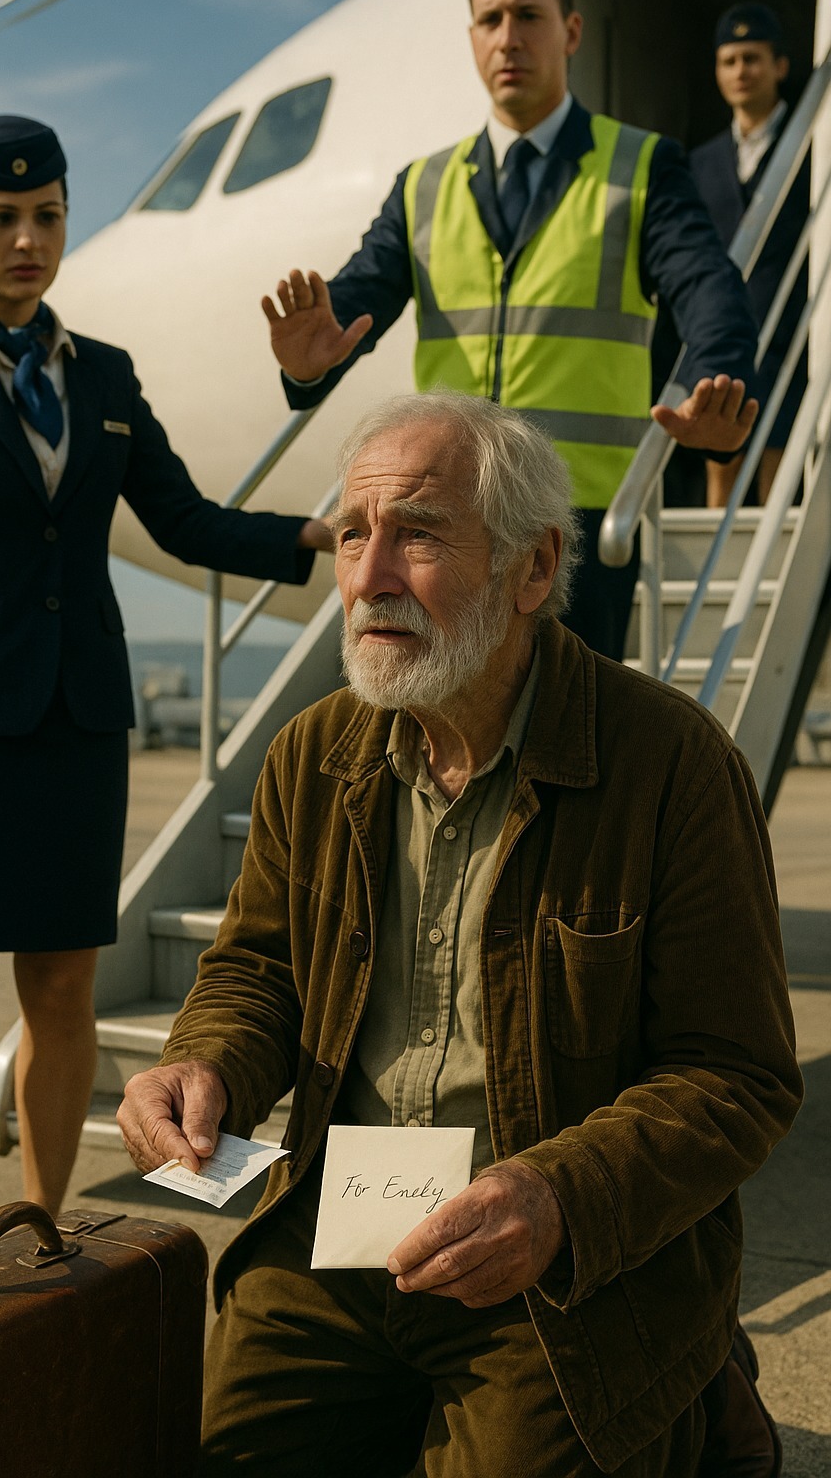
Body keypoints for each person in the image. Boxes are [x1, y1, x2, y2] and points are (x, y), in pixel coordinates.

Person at [119, 392, 800, 1477]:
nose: (367, 577)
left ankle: (698, 1373)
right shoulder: (314, 756)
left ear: (533, 571)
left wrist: (556, 1195)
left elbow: (736, 1075)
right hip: (338, 1229)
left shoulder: (669, 766)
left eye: (419, 535)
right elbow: (258, 970)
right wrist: (202, 1064)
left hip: (556, 1261)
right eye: (351, 534)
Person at [0, 114, 331, 1262]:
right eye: (1, 218)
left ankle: (46, 1225)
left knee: (64, 987)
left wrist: (313, 533)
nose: (26, 238)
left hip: (75, 724)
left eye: (47, 216)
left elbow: (184, 518)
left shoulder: (104, 376)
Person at [261, 0, 760, 662]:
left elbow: (709, 288)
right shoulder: (421, 186)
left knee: (575, 744)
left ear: (572, 31)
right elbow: (358, 294)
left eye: (529, 14)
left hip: (574, 517)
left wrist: (717, 383)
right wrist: (312, 358)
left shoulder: (642, 166)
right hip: (446, 510)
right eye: (490, 18)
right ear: (471, 38)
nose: (509, 37)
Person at [692, 5, 809, 508]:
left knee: (778, 481)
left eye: (753, 58)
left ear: (780, 66)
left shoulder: (815, 144)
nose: (741, 71)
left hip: (792, 340)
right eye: (730, 60)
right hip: (723, 337)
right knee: (722, 467)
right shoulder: (700, 160)